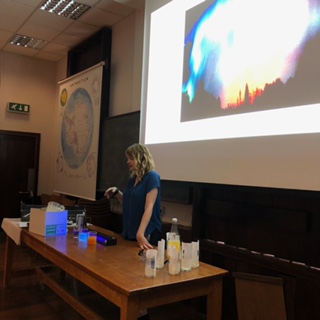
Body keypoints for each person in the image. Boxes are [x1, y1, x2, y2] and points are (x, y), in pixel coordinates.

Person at [105, 143, 162, 250]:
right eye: (128, 158)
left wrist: (140, 234)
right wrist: (117, 193)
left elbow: (149, 207)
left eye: (131, 158)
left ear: (141, 158)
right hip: (130, 232)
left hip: (146, 234)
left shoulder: (152, 177)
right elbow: (129, 202)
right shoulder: (133, 178)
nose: (128, 162)